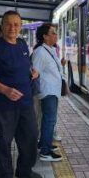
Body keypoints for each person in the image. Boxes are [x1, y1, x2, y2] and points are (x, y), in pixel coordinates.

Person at [0, 11, 42, 178]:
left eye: (16, 24)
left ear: (21, 27)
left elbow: (25, 66)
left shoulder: (22, 45)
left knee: (30, 136)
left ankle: (24, 169)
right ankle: (5, 174)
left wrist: (33, 73)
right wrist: (5, 90)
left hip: (25, 103)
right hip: (3, 105)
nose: (12, 28)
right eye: (8, 24)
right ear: (2, 26)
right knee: (3, 141)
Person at [31, 24, 65, 162]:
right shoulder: (40, 52)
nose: (56, 35)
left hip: (53, 90)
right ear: (45, 36)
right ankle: (45, 151)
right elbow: (34, 72)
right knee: (49, 120)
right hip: (47, 91)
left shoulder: (50, 49)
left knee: (49, 120)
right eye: (53, 33)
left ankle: (43, 144)